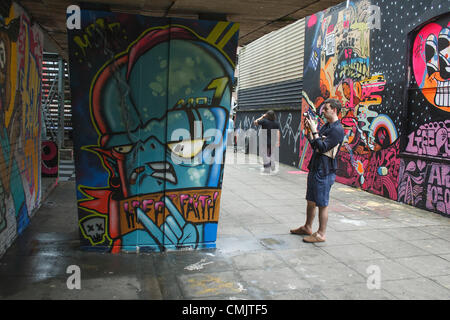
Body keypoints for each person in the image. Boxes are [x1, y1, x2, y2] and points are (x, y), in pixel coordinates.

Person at [290, 99, 345, 243]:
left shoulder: (337, 130)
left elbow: (322, 147)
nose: (323, 111)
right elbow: (315, 144)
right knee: (311, 200)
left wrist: (314, 130)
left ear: (334, 110)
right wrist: (310, 132)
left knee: (322, 203)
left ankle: (321, 234)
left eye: (326, 108)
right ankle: (307, 227)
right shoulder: (327, 126)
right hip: (316, 167)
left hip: (325, 170)